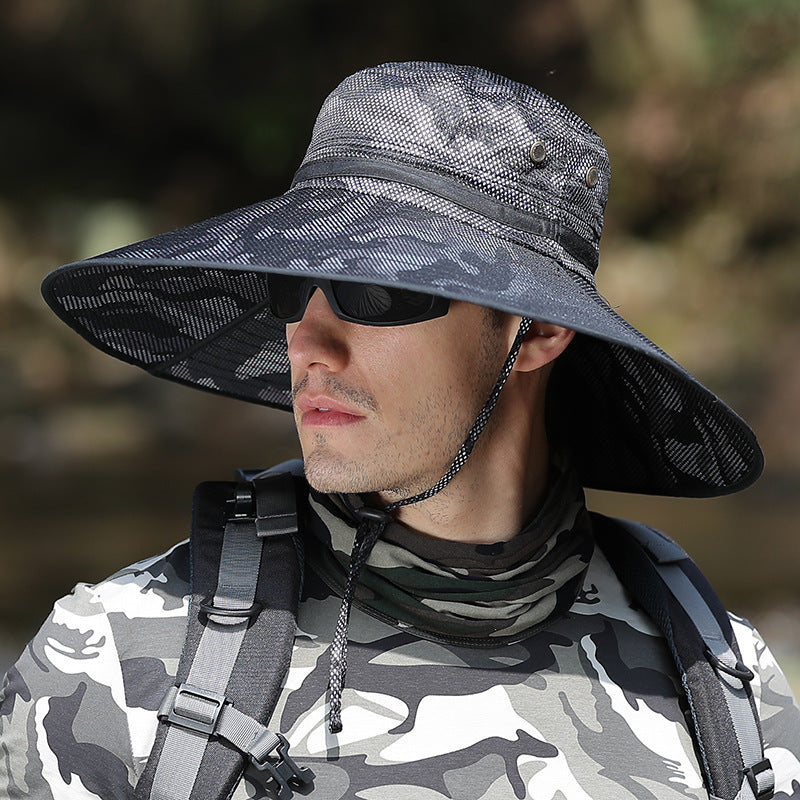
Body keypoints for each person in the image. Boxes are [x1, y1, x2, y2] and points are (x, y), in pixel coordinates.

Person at [2, 61, 799, 800]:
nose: (308, 345)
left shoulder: (729, 694)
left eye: (375, 290)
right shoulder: (113, 669)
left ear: (538, 331)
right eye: (290, 287)